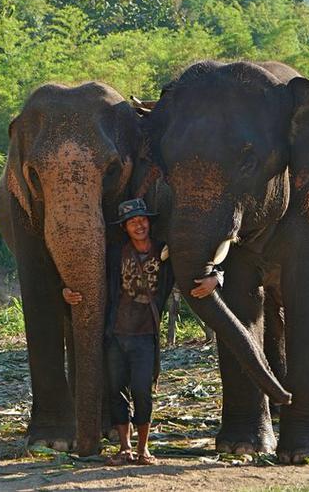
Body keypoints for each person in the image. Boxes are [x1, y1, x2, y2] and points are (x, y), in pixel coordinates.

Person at [62, 197, 223, 465]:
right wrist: (66, 290)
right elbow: (88, 276)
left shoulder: (165, 252)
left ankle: (143, 449)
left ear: (149, 222)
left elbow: (202, 261)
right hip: (116, 333)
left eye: (143, 219)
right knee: (117, 391)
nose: (139, 225)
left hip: (145, 335)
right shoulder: (115, 254)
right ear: (124, 227)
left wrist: (216, 278)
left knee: (141, 391)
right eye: (132, 222)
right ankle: (124, 448)